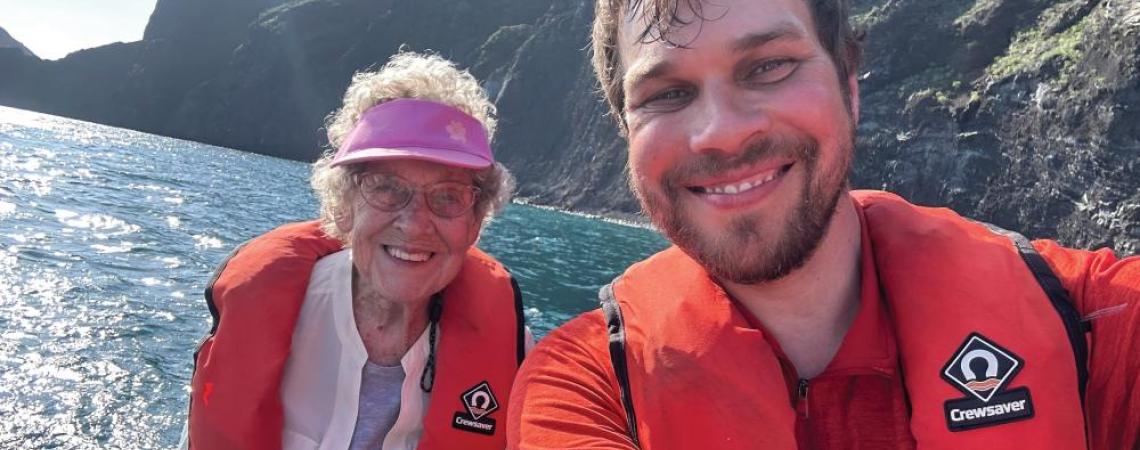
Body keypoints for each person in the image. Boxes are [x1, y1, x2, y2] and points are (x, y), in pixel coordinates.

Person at [506, 0, 1140, 449]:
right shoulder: (587, 392)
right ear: (626, 132)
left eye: (769, 66)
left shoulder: (1093, 321)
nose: (722, 132)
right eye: (667, 94)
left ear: (850, 85)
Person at [185, 52, 530, 450]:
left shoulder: (514, 351)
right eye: (386, 187)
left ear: (475, 221)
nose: (415, 223)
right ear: (342, 206)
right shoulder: (268, 308)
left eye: (448, 196)